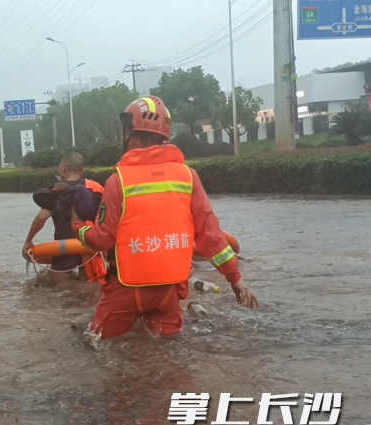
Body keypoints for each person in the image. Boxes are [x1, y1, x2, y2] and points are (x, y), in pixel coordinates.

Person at [72, 96, 258, 338]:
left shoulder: (118, 181)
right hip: (169, 293)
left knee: (93, 342)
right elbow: (211, 236)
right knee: (169, 353)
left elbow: (103, 240)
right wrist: (235, 279)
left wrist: (78, 226)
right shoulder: (188, 176)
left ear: (131, 131)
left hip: (126, 289)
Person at [21, 152, 105, 282]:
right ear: (81, 171)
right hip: (90, 247)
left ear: (63, 168)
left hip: (65, 249)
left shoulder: (57, 191)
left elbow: (42, 217)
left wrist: (28, 241)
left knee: (60, 288)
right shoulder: (96, 188)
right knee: (88, 287)